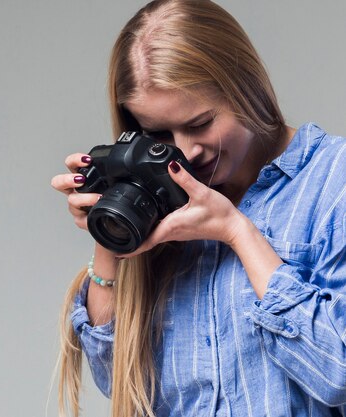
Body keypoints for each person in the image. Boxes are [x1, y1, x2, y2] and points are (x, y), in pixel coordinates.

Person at [50, 1, 346, 416]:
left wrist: (237, 232)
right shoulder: (161, 202)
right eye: (158, 133)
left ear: (245, 86)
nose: (187, 150)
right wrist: (111, 231)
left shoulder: (334, 182)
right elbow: (117, 379)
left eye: (200, 122)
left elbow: (339, 373)